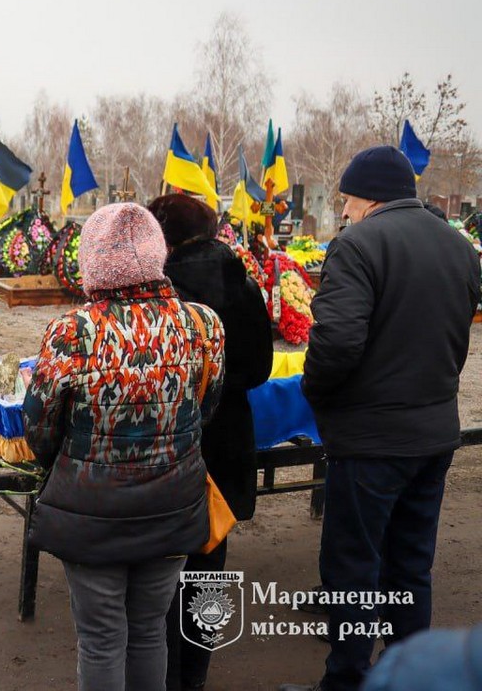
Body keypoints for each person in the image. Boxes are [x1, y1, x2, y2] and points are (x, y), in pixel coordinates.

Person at [279, 146, 482, 691]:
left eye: (346, 200)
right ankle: (409, 677)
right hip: (435, 433)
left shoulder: (358, 244)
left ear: (369, 197)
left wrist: (315, 393)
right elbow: (454, 338)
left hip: (371, 442)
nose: (343, 211)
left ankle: (347, 681)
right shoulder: (460, 248)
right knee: (411, 565)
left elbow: (337, 341)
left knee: (354, 570)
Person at [23, 202, 225, 691]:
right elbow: (205, 410)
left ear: (92, 260)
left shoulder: (72, 331)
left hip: (92, 509)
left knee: (100, 638)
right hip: (174, 503)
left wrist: (73, 462)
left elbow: (40, 426)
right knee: (151, 630)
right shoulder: (203, 325)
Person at [148, 194, 274, 691]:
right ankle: (195, 676)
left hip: (170, 444)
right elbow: (260, 369)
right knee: (209, 565)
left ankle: (162, 675)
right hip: (225, 442)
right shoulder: (243, 285)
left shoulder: (157, 293)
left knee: (158, 572)